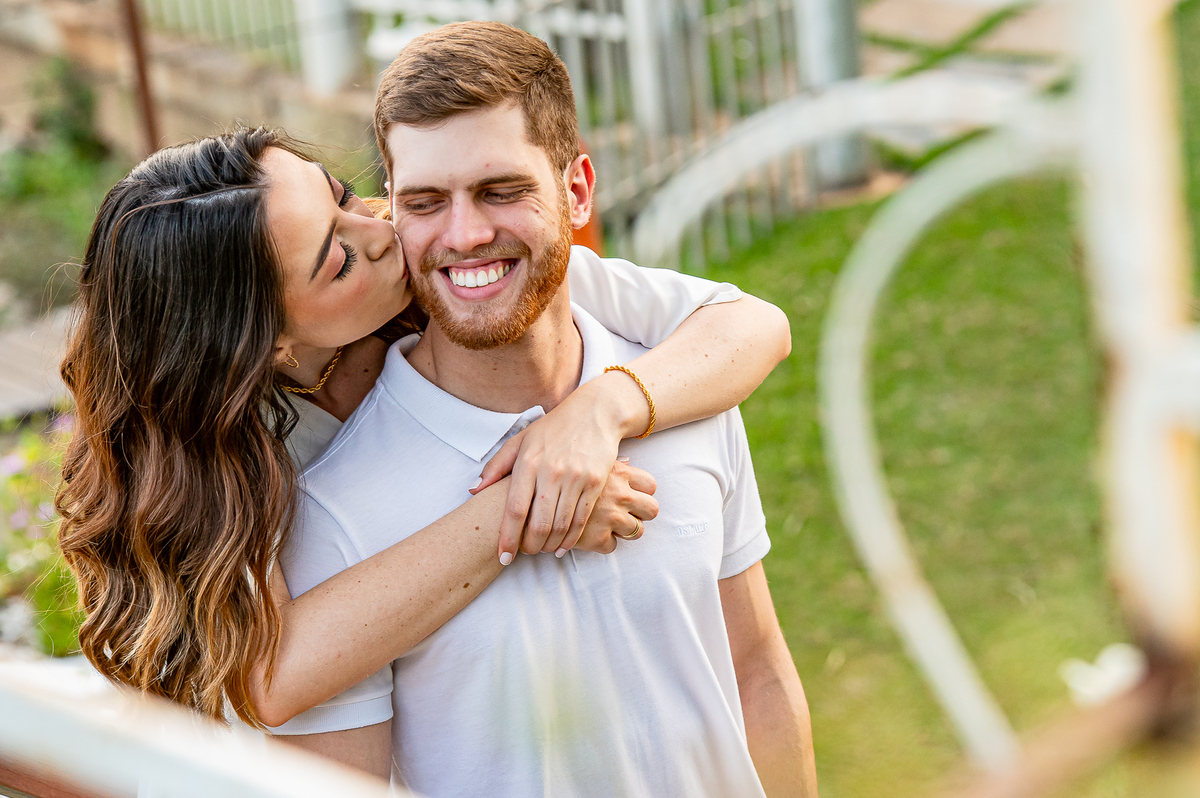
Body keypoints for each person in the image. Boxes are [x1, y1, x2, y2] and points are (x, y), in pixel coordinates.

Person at [54, 125, 792, 738]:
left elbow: (751, 325)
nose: (378, 232)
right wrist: (526, 506)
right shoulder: (219, 455)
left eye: (341, 197)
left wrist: (599, 412)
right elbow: (270, 677)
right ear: (267, 343)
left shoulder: (458, 278)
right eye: (338, 260)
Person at [274, 21, 816, 798]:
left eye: (501, 191)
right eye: (426, 202)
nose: (465, 236)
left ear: (577, 190)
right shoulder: (334, 513)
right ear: (393, 210)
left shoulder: (680, 387)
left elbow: (756, 669)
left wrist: (609, 406)